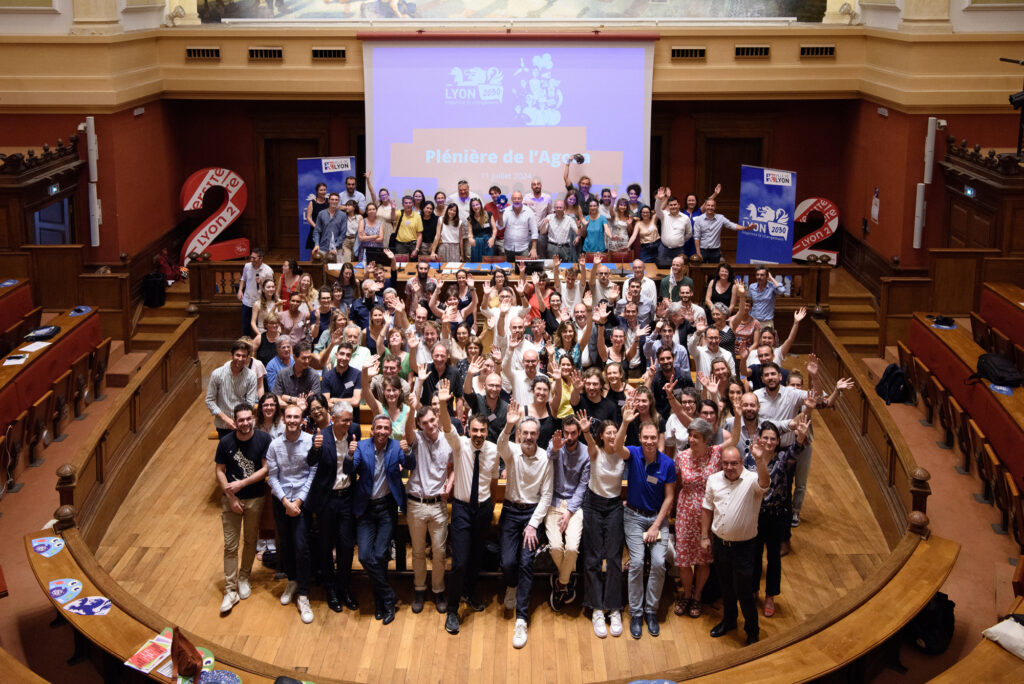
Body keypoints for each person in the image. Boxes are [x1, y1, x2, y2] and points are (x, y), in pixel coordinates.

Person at [438, 382, 500, 635]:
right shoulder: (460, 444)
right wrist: (443, 403)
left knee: (476, 558)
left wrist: (491, 504)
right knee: (460, 562)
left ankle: (470, 592)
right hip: (462, 509)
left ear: (487, 432)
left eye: (482, 430)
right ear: (468, 429)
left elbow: (494, 481)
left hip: (483, 509)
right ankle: (452, 610)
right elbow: (445, 426)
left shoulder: (494, 450)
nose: (478, 434)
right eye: (474, 429)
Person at [616, 401, 676, 639]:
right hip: (633, 516)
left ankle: (651, 610)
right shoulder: (634, 454)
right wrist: (625, 422)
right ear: (640, 438)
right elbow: (617, 446)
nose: (650, 441)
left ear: (657, 439)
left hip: (657, 520)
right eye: (646, 437)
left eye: (653, 437)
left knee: (660, 563)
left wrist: (655, 526)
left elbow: (669, 498)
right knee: (638, 562)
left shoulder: (668, 463)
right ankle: (637, 613)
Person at [497, 401, 554, 649]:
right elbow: (500, 445)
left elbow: (547, 496)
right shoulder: (511, 449)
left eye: (533, 433)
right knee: (508, 562)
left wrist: (532, 525)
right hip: (510, 511)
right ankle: (511, 585)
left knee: (526, 562)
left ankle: (521, 618)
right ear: (520, 434)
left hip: (532, 514)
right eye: (525, 433)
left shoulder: (545, 459)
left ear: (538, 435)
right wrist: (509, 425)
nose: (528, 437)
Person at [701, 443, 770, 645]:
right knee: (726, 588)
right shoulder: (713, 479)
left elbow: (765, 483)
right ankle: (730, 621)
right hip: (720, 545)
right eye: (725, 463)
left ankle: (752, 630)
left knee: (744, 591)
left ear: (741, 463)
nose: (729, 467)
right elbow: (707, 508)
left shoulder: (752, 480)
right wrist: (704, 536)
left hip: (744, 548)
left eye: (734, 463)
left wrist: (759, 459)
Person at [672, 416, 738, 619]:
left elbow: (734, 438)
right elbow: (678, 483)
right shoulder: (682, 456)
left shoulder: (716, 454)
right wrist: (673, 508)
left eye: (696, 436)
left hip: (708, 513)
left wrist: (738, 414)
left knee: (703, 560)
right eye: (690, 435)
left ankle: (697, 596)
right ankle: (686, 594)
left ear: (706, 439)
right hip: (685, 512)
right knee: (683, 560)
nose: (691, 440)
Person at [305, 402, 360, 613]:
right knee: (326, 545)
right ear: (334, 419)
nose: (349, 423)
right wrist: (315, 448)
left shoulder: (353, 432)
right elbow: (311, 461)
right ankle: (331, 589)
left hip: (346, 497)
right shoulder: (321, 435)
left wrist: (352, 456)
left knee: (346, 546)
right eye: (345, 420)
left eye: (351, 419)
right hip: (327, 499)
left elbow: (353, 466)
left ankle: (344, 587)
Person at [351, 413, 406, 625]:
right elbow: (350, 469)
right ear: (372, 430)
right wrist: (349, 456)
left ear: (390, 431)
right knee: (365, 555)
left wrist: (408, 452)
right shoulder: (362, 447)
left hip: (386, 508)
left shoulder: (395, 447)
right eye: (379, 427)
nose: (382, 431)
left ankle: (381, 602)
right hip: (365, 509)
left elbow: (409, 463)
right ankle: (388, 595)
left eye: (386, 428)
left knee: (382, 554)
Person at [216, 403, 271, 614]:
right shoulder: (226, 442)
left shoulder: (263, 439)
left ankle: (244, 577)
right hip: (231, 501)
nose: (245, 423)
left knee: (250, 541)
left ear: (253, 419)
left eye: (249, 419)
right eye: (241, 420)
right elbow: (220, 471)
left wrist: (242, 484)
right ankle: (230, 590)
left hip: (255, 498)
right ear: (235, 421)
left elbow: (266, 468)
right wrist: (231, 496)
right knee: (230, 545)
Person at [753, 415, 810, 619]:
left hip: (776, 516)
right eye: (765, 438)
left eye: (773, 439)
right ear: (758, 438)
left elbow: (796, 451)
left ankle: (770, 596)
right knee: (754, 555)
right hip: (755, 515)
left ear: (778, 442)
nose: (769, 442)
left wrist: (801, 437)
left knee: (774, 558)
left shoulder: (784, 458)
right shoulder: (750, 458)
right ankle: (753, 591)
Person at [266, 404, 317, 624]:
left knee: (302, 546)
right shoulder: (275, 445)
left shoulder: (309, 441)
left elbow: (313, 472)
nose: (293, 420)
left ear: (301, 418)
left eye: (296, 416)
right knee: (285, 544)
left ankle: (304, 594)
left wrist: (298, 501)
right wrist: (286, 501)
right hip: (282, 501)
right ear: (284, 419)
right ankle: (292, 580)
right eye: (289, 416)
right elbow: (273, 476)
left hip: (302, 502)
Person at [404, 402, 452, 614]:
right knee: (417, 552)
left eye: (432, 420)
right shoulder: (416, 439)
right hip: (416, 504)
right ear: (419, 425)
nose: (430, 425)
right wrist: (411, 409)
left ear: (438, 417)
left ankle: (439, 588)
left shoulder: (448, 441)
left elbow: (454, 468)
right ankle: (420, 588)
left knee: (440, 552)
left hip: (438, 505)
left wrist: (449, 486)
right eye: (424, 423)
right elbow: (407, 431)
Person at [546, 416, 589, 610]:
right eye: (567, 433)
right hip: (553, 503)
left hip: (574, 505)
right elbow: (549, 455)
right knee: (555, 547)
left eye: (573, 433)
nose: (569, 437)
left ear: (579, 433)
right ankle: (568, 578)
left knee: (572, 548)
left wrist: (570, 511)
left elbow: (582, 486)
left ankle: (560, 583)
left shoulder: (587, 453)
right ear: (562, 431)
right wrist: (555, 448)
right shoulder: (556, 444)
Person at [206, 340, 259, 438]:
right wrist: (227, 419)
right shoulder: (217, 374)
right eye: (237, 355)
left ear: (248, 357)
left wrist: (241, 420)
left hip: (244, 424)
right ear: (231, 354)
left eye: (244, 356)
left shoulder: (251, 376)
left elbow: (250, 402)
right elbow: (209, 401)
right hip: (223, 425)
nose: (240, 359)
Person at [692, 198, 755, 265]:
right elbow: (696, 237)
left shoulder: (720, 218)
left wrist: (746, 228)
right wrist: (698, 253)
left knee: (714, 272)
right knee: (701, 272)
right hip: (702, 250)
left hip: (715, 251)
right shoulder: (699, 219)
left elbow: (732, 225)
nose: (710, 207)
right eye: (708, 205)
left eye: (712, 206)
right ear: (705, 206)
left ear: (715, 207)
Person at [273, 341, 321, 409]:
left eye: (309, 357)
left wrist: (286, 398)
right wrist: (294, 405)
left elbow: (313, 401)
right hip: (286, 414)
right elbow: (276, 399)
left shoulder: (314, 375)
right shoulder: (282, 374)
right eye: (304, 358)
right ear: (294, 357)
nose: (307, 361)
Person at [238, 249, 274, 337]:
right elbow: (243, 279)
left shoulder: (268, 271)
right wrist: (240, 290)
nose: (251, 260)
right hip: (247, 301)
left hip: (260, 302)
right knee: (246, 326)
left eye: (254, 258)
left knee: (259, 326)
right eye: (251, 257)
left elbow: (270, 288)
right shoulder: (247, 266)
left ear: (260, 259)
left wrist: (261, 283)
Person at [653, 187, 692, 268]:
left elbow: (689, 234)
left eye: (675, 204)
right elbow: (657, 210)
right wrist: (659, 199)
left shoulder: (685, 218)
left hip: (678, 250)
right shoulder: (664, 215)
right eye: (671, 205)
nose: (673, 207)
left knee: (678, 270)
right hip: (664, 250)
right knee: (661, 271)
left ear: (679, 205)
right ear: (668, 206)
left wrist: (680, 240)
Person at [321, 342, 362, 411]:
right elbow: (326, 403)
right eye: (342, 354)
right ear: (336, 355)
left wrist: (334, 400)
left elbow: (356, 402)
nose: (344, 358)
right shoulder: (327, 376)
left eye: (348, 355)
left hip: (352, 417)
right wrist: (349, 402)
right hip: (334, 417)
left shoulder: (357, 374)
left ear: (350, 357)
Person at [499, 191, 538, 259]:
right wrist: (500, 216)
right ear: (511, 199)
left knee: (523, 269)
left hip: (523, 248)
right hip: (508, 248)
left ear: (522, 199)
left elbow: (534, 232)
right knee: (509, 269)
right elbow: (500, 227)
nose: (517, 200)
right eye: (514, 198)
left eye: (519, 198)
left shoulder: (529, 212)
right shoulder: (506, 211)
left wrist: (534, 249)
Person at [312, 193, 347, 260]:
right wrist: (316, 244)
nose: (334, 201)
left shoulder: (343, 215)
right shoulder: (321, 214)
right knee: (323, 269)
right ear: (328, 200)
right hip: (323, 247)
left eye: (336, 200)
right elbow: (316, 231)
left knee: (337, 269)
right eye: (332, 199)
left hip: (337, 249)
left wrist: (335, 246)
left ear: (338, 201)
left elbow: (343, 233)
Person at [468, 197, 496, 262]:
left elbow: (495, 229)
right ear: (471, 207)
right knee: (476, 263)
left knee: (488, 263)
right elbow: (470, 233)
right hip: (476, 242)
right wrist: (470, 239)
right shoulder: (470, 218)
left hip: (488, 241)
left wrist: (493, 238)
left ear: (480, 205)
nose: (475, 207)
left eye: (477, 204)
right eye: (473, 205)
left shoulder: (489, 214)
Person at [305, 183, 329, 251]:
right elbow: (308, 217)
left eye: (324, 190)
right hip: (315, 231)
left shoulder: (328, 201)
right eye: (321, 190)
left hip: (326, 231)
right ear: (317, 191)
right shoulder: (312, 203)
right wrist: (316, 227)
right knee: (314, 253)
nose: (323, 192)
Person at [341, 199, 363, 264]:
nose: (347, 207)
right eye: (346, 205)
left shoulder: (359, 217)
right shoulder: (343, 217)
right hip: (346, 240)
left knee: (355, 261)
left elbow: (361, 231)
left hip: (356, 240)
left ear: (354, 207)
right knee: (346, 261)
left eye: (349, 205)